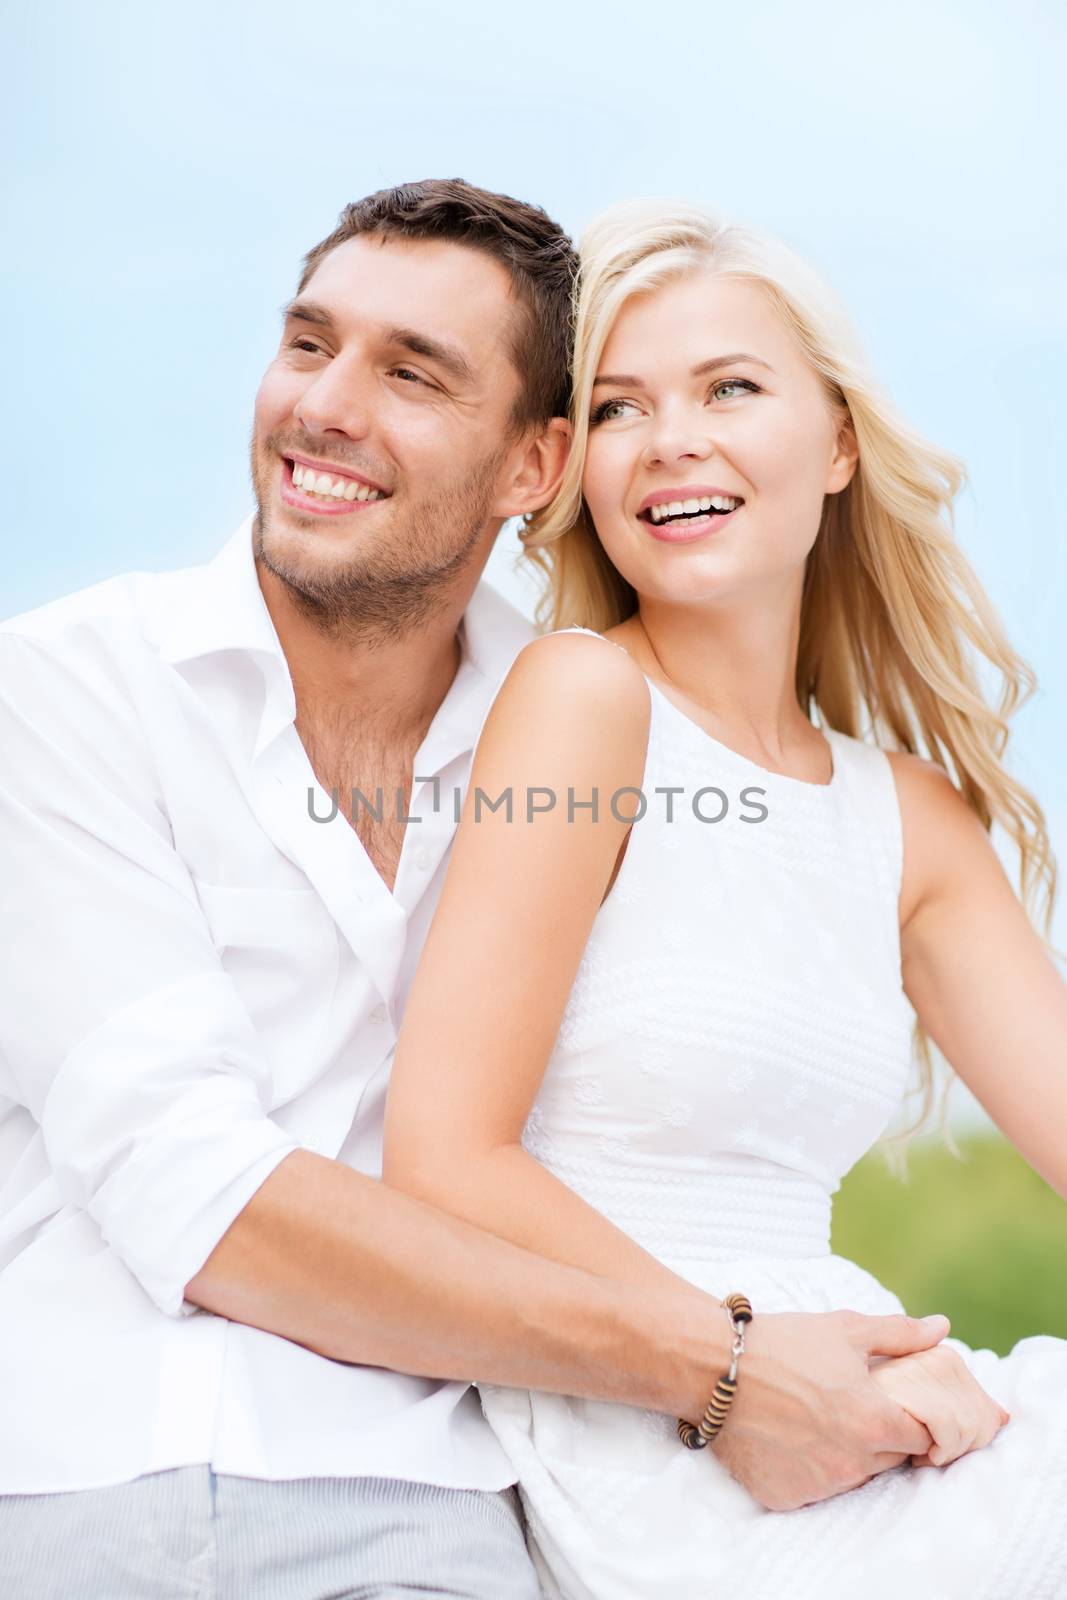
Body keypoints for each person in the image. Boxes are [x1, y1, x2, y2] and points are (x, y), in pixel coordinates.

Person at [0, 179, 958, 1600]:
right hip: (124, 1473)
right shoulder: (69, 689)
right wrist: (729, 1365)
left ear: (531, 469)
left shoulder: (588, 724)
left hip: (470, 1502)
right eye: (309, 344)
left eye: (412, 375)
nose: (324, 406)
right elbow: (199, 1199)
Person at [381, 198, 1067, 1598]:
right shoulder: (584, 701)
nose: (671, 437)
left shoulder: (912, 823)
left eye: (730, 388)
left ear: (837, 443)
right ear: (583, 470)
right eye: (622, 407)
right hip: (653, 1425)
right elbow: (444, 1158)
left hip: (854, 1393)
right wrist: (740, 1366)